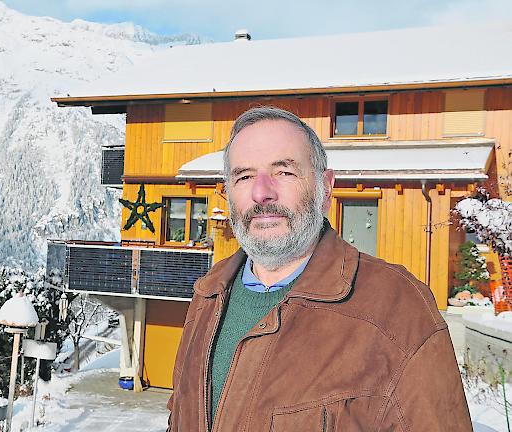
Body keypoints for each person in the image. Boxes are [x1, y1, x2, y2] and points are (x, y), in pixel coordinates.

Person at [167, 107, 472, 431]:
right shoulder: (208, 295)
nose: (261, 193)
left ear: (325, 188)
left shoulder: (397, 309)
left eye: (284, 172)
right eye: (244, 176)